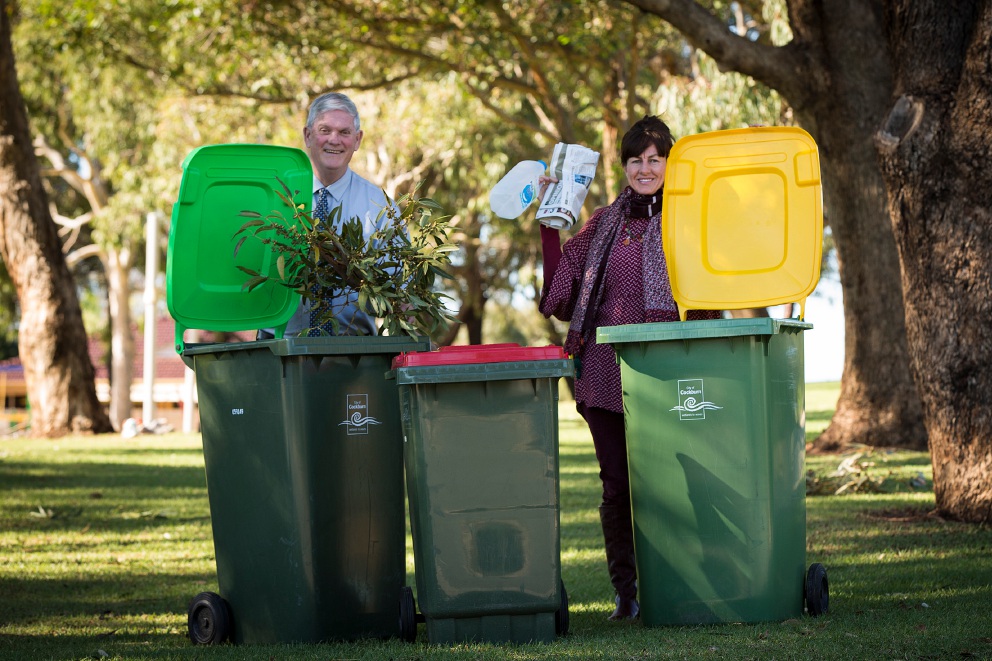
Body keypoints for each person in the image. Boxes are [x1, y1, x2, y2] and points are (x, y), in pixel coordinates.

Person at [538, 115, 721, 621]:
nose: (645, 168)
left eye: (655, 159)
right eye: (636, 159)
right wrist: (549, 228)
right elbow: (560, 294)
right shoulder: (602, 224)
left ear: (670, 164)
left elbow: (714, 291)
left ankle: (686, 583)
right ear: (624, 166)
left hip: (671, 375)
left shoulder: (689, 220)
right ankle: (627, 592)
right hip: (605, 376)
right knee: (617, 487)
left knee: (678, 482)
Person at [260, 91, 395, 339]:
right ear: (308, 135)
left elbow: (400, 292)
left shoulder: (381, 208)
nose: (334, 140)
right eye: (325, 130)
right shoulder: (273, 199)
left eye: (344, 132)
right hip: (277, 345)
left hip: (355, 348)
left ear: (357, 140)